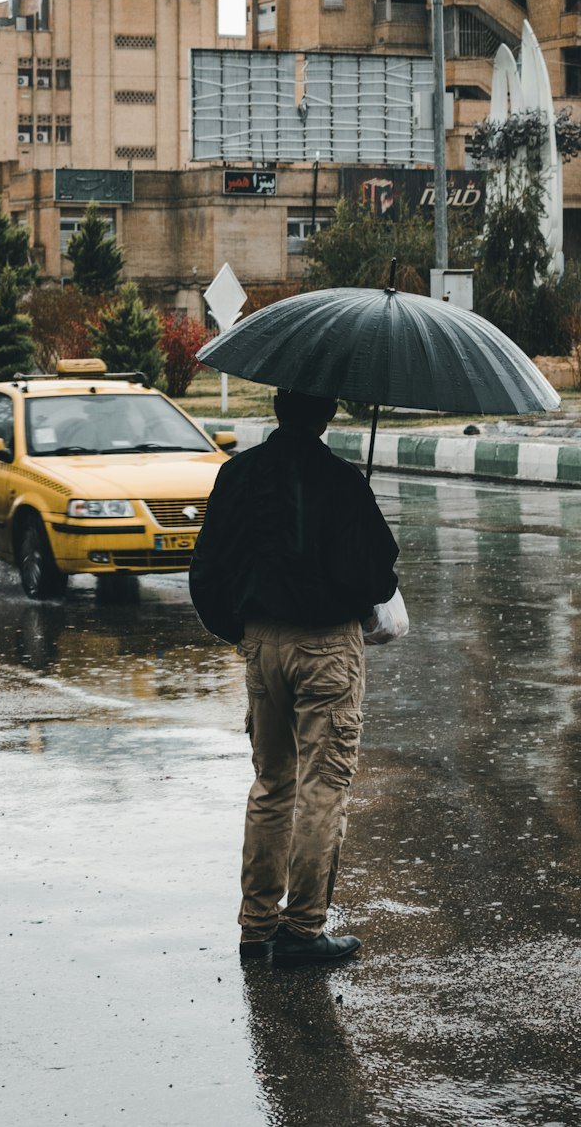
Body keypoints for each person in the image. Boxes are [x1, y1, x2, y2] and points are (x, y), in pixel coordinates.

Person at [189, 387, 399, 967]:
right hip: (328, 648)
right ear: (328, 413)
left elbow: (205, 568)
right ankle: (304, 929)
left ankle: (256, 928)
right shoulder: (342, 482)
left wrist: (242, 631)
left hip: (262, 643)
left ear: (279, 408)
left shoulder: (239, 475)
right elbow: (378, 579)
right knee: (323, 787)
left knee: (271, 783)